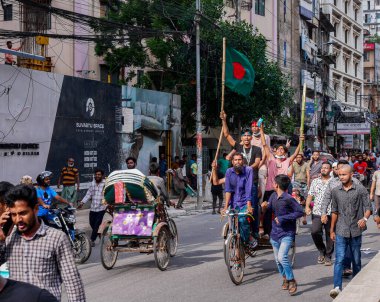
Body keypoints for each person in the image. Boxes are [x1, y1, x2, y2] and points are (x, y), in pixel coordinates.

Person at [0, 185, 86, 301]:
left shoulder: (56, 238)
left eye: (23, 213)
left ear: (35, 209)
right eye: (14, 215)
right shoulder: (9, 238)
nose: (18, 219)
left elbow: (72, 281)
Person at [329, 165, 371, 299]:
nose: (341, 177)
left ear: (351, 174)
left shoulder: (360, 190)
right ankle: (337, 287)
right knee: (339, 259)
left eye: (344, 175)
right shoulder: (335, 191)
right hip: (341, 229)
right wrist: (332, 230)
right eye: (339, 175)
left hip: (356, 230)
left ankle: (356, 285)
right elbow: (334, 211)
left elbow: (368, 207)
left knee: (356, 260)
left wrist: (364, 218)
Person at [220, 111, 262, 237]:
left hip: (251, 183)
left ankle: (254, 233)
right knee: (234, 210)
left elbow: (257, 163)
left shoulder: (256, 149)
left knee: (253, 209)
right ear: (242, 138)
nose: (247, 137)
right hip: (237, 185)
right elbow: (226, 134)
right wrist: (224, 120)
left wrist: (246, 169)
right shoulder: (238, 147)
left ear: (251, 137)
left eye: (249, 136)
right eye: (244, 136)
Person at [261, 175, 303, 296]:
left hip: (287, 233)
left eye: (273, 182)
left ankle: (291, 280)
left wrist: (283, 218)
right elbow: (267, 209)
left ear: (277, 185)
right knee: (277, 260)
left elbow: (300, 212)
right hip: (274, 233)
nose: (272, 184)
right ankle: (285, 278)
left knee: (282, 257)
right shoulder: (273, 196)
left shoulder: (289, 198)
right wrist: (263, 208)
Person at [262, 126, 303, 238]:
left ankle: (286, 231)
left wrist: (301, 141)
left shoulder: (288, 161)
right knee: (266, 210)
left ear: (285, 152)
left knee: (284, 212)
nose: (280, 150)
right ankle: (267, 232)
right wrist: (261, 130)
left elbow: (295, 153)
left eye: (282, 149)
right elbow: (265, 145)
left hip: (282, 191)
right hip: (270, 189)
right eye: (278, 149)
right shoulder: (271, 158)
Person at [221, 153, 257, 249]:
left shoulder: (248, 170)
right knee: (233, 222)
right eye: (235, 160)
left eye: (239, 160)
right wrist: (225, 207)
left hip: (246, 201)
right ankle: (235, 241)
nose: (237, 162)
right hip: (234, 202)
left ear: (243, 161)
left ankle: (248, 238)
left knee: (242, 219)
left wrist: (249, 205)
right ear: (232, 162)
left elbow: (248, 188)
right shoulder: (229, 172)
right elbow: (228, 190)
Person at [305, 162, 334, 266]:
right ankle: (322, 250)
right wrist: (307, 206)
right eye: (322, 168)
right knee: (314, 231)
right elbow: (310, 195)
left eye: (326, 168)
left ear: (330, 170)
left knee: (329, 234)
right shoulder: (315, 181)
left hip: (330, 212)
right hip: (317, 211)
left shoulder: (334, 182)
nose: (324, 169)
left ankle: (328, 256)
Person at [78, 169, 106, 247]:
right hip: (93, 207)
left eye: (99, 174)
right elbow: (88, 194)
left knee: (97, 224)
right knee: (91, 223)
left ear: (102, 176)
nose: (97, 176)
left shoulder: (105, 184)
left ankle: (92, 240)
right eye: (96, 174)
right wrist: (82, 202)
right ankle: (98, 233)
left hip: (102, 207)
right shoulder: (92, 183)